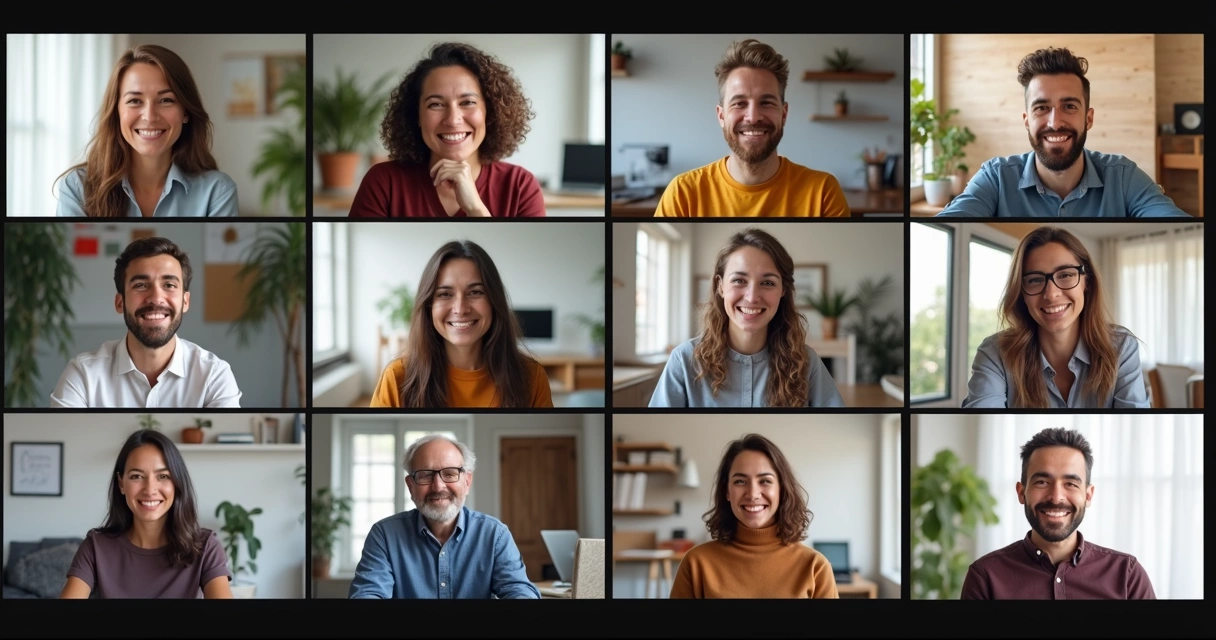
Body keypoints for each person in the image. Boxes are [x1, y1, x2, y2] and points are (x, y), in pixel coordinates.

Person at [936, 47, 1189, 218]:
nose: (1055, 122)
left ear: (1088, 119)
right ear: (1026, 121)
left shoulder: (1123, 177)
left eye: (1069, 106)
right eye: (1042, 108)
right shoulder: (995, 178)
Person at [653, 39, 850, 217]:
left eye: (766, 102)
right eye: (739, 103)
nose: (754, 117)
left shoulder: (823, 192)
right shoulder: (682, 194)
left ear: (784, 114)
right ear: (721, 116)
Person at [649, 228, 844, 407]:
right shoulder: (684, 360)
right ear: (720, 286)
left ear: (783, 290)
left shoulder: (807, 362)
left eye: (767, 282)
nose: (752, 297)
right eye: (739, 280)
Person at [348, 42, 545, 217]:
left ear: (489, 112)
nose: (453, 119)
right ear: (416, 115)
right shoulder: (384, 182)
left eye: (467, 102)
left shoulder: (520, 187)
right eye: (436, 104)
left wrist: (476, 209)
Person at [962, 226, 1147, 408]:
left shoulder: (1121, 347)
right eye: (1034, 279)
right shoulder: (995, 353)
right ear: (1021, 292)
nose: (1051, 294)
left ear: (1086, 282)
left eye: (1065, 275)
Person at [961, 427, 1156, 599]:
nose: (1056, 497)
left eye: (1070, 484)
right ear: (1021, 492)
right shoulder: (985, 577)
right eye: (1042, 482)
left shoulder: (1127, 576)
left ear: (1088, 496)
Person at [50, 237, 242, 408]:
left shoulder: (214, 375)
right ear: (120, 302)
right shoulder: (83, 375)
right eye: (141, 285)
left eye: (169, 285)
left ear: (185, 301)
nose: (156, 298)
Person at [54, 44, 238, 217]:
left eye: (166, 100)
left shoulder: (217, 191)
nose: (150, 116)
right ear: (116, 112)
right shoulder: (77, 188)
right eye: (134, 101)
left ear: (186, 112)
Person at [348, 434, 539, 599]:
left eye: (450, 473)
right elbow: (368, 592)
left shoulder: (495, 534)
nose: (438, 486)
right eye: (425, 475)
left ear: (467, 481)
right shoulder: (384, 535)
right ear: (410, 485)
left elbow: (518, 589)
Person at [370, 240, 553, 408]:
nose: (460, 308)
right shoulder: (397, 377)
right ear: (428, 306)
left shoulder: (532, 377)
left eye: (475, 292)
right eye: (445, 294)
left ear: (494, 301)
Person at [60, 429, 232, 598]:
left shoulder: (205, 547)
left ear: (177, 483)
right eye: (136, 476)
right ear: (121, 484)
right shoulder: (95, 547)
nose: (150, 490)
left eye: (163, 476)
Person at [669, 433, 838, 598]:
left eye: (765, 481)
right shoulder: (696, 563)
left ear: (781, 489)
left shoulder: (815, 566)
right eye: (740, 481)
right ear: (727, 491)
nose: (752, 494)